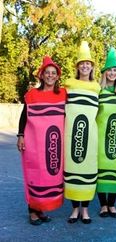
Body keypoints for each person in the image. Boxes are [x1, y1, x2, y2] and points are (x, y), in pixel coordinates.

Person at [17, 56, 66, 225]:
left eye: (53, 73)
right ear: (42, 75)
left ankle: (41, 209)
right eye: (47, 73)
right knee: (35, 174)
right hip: (34, 142)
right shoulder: (32, 95)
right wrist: (20, 136)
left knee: (48, 176)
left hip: (54, 145)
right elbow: (24, 116)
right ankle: (33, 211)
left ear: (57, 76)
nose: (50, 76)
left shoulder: (63, 94)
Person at [64, 41, 100, 224]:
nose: (85, 66)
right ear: (78, 66)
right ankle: (74, 209)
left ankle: (84, 210)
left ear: (91, 67)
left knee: (87, 169)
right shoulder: (68, 85)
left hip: (90, 136)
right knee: (73, 168)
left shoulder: (96, 87)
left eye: (88, 63)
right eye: (82, 63)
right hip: (72, 136)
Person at [96, 47, 116, 218]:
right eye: (110, 70)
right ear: (105, 72)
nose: (112, 73)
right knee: (101, 170)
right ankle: (103, 205)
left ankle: (112, 205)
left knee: (115, 168)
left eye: (115, 70)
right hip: (100, 136)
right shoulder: (98, 91)